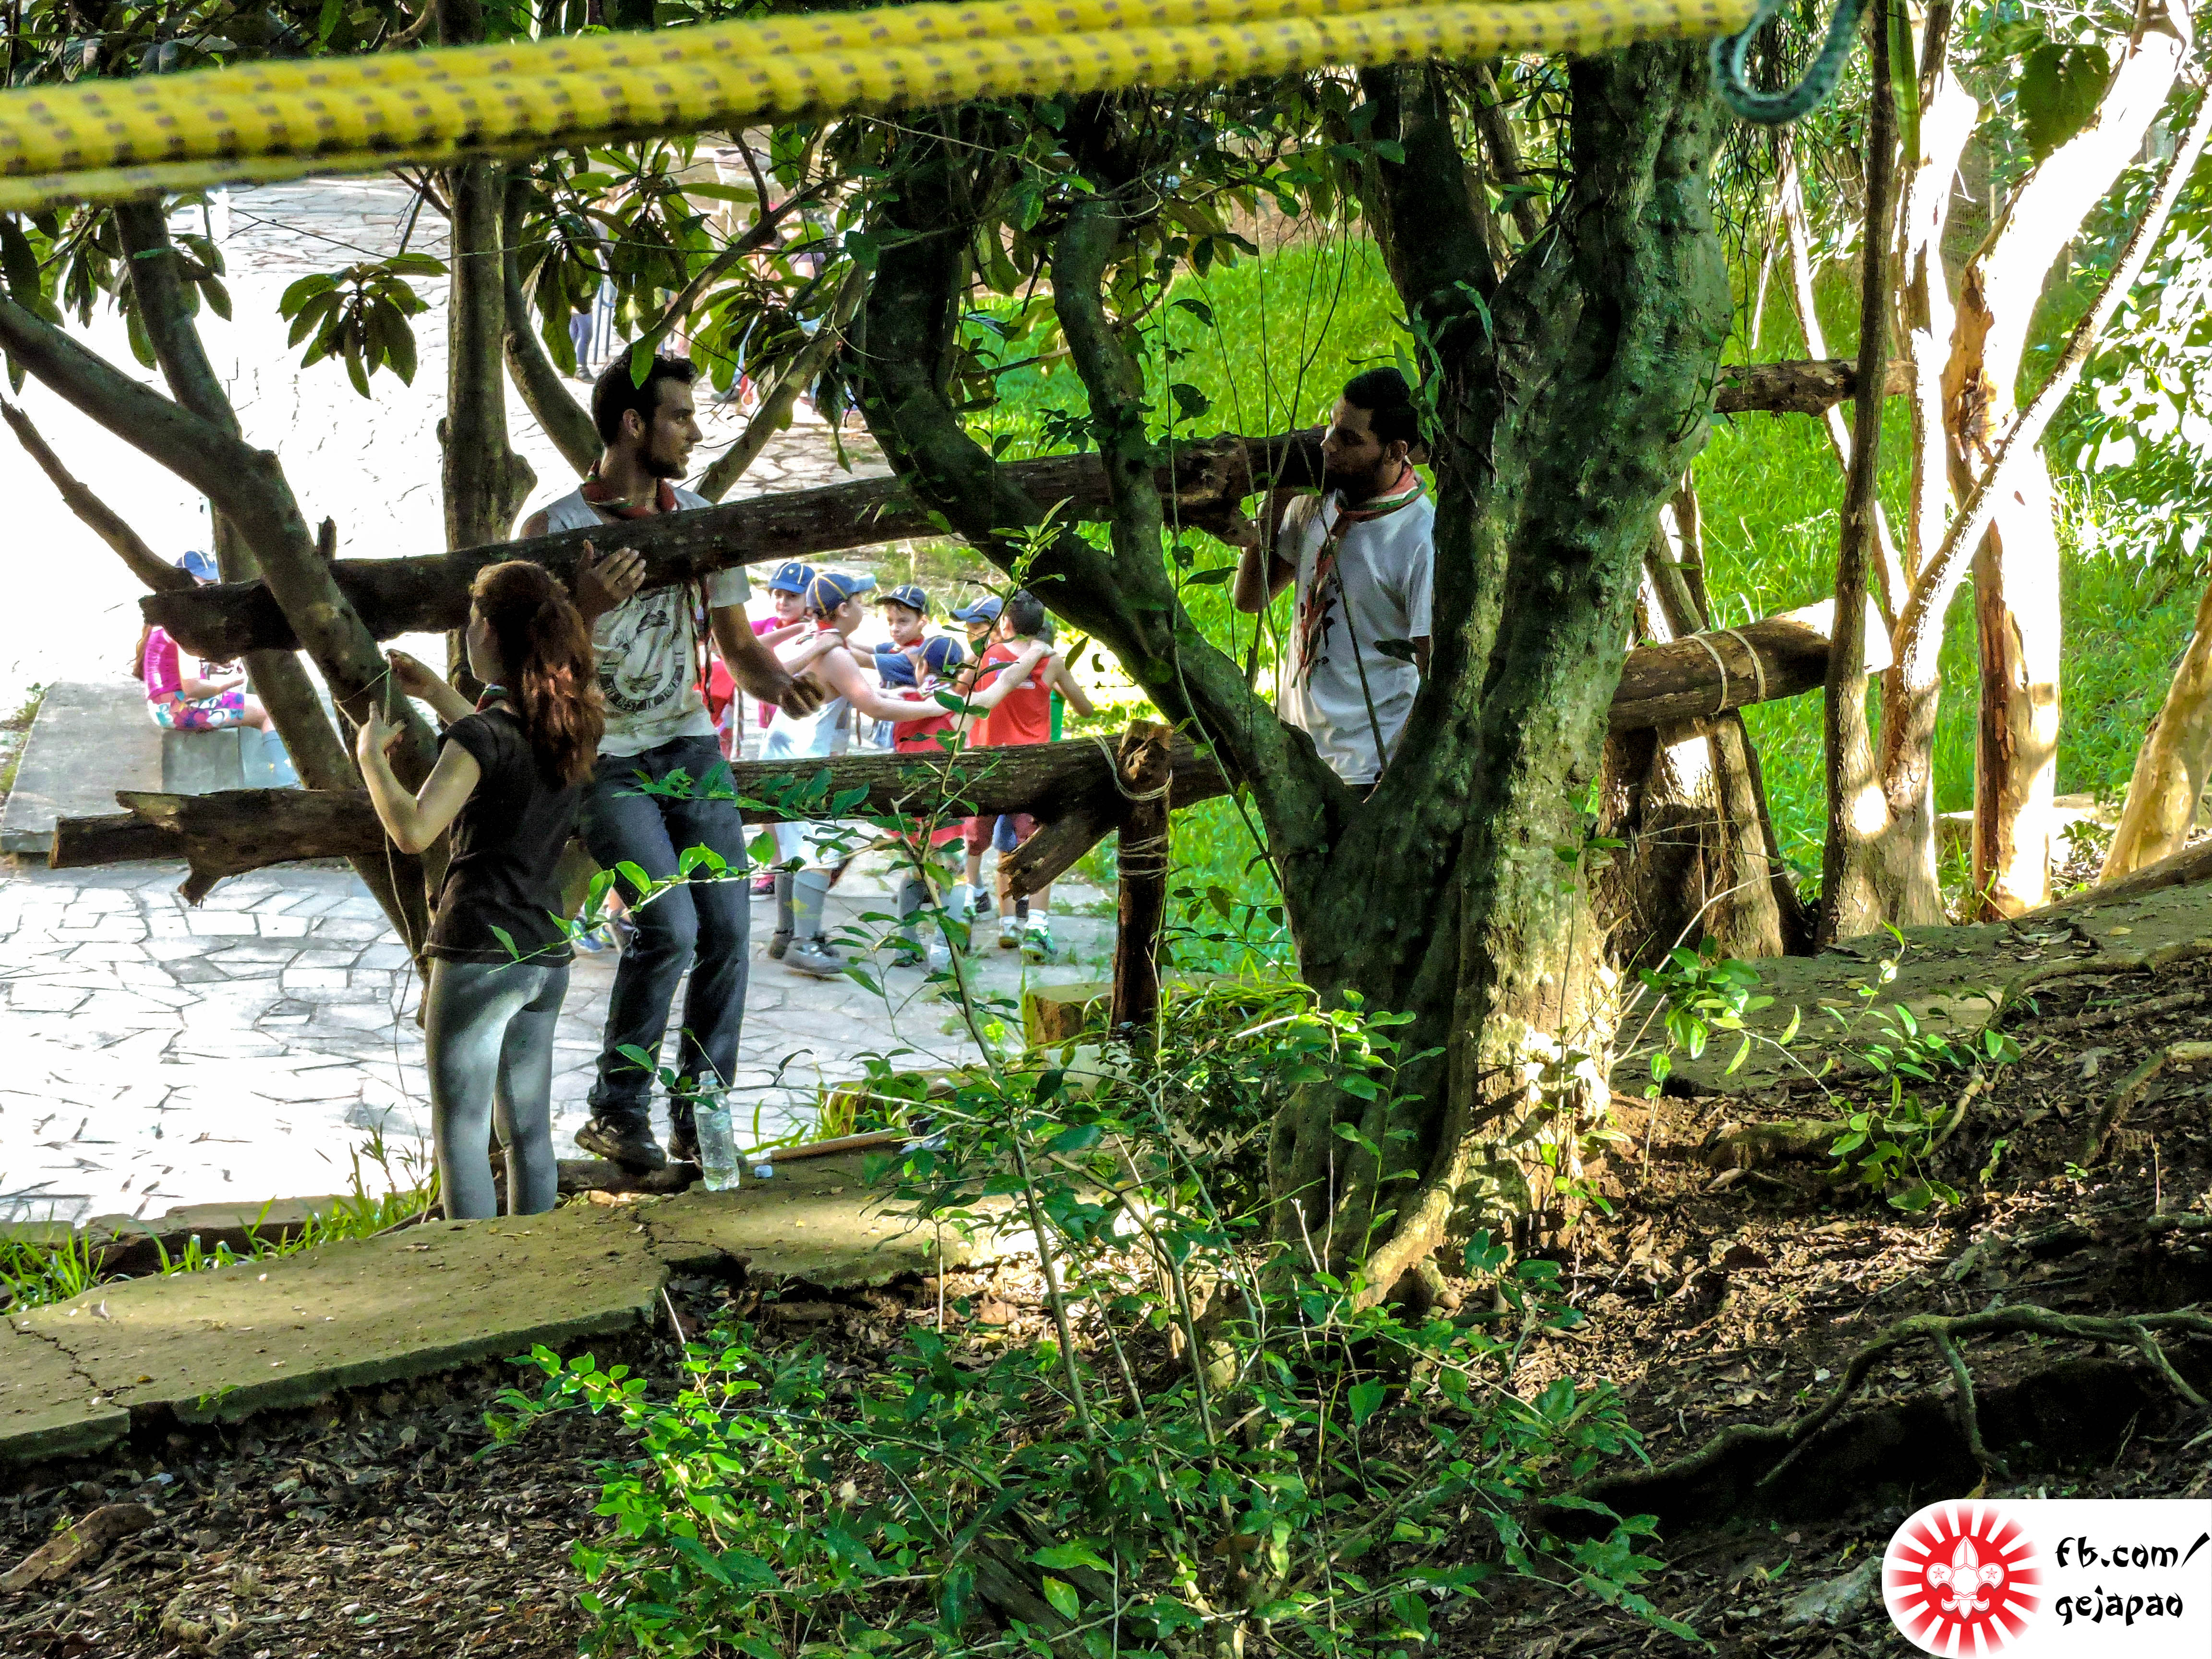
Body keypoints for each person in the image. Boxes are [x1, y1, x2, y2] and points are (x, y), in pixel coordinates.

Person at [517, 352, 827, 1174]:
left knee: (728, 929)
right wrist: (583, 608)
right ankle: (617, 1113)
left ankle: (702, 1120)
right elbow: (520, 668)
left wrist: (781, 686)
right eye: (680, 416)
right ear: (633, 425)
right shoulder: (553, 531)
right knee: (669, 924)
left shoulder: (700, 522)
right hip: (602, 754)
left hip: (689, 744)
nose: (694, 431)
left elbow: (739, 646)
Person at [354, 563, 603, 1221]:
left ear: (488, 630)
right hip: (543, 954)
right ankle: (536, 1269)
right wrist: (438, 693)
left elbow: (414, 831)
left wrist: (371, 762)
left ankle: (474, 1272)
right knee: (529, 1134)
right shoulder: (567, 726)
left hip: (478, 952)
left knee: (462, 1134)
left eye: (470, 620)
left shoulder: (480, 737)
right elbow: (502, 751)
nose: (468, 633)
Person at [1232, 366, 1434, 787]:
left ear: (1396, 451)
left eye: (1349, 439)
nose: (1328, 444)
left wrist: (1395, 782)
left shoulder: (1420, 538)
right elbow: (1250, 598)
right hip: (1293, 754)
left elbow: (1435, 673)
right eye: (1331, 425)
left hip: (1367, 770)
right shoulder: (1320, 503)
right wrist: (1280, 492)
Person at [966, 590, 1094, 961]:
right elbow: (1085, 709)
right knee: (1038, 845)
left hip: (989, 764)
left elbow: (965, 693)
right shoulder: (1051, 661)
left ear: (1006, 623)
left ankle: (995, 921)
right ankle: (1037, 927)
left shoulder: (989, 655)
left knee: (980, 844)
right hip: (1033, 767)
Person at [134, 550, 274, 733]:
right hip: (178, 709)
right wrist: (236, 681)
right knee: (270, 712)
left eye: (214, 584)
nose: (211, 592)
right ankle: (278, 754)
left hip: (166, 706)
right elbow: (193, 688)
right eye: (205, 585)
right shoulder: (183, 626)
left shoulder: (169, 618)